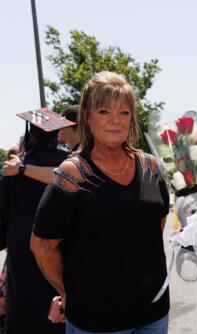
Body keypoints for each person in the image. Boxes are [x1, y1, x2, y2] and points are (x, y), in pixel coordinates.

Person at [31, 71, 170, 333]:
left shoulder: (150, 167)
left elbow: (154, 226)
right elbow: (42, 246)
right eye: (104, 111)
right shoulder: (73, 174)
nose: (115, 121)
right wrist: (67, 291)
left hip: (153, 313)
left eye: (124, 112)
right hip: (96, 318)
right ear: (87, 115)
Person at [3, 108, 73, 333]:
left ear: (30, 134)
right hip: (63, 251)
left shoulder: (14, 168)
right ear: (56, 133)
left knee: (26, 314)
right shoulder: (69, 163)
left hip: (23, 252)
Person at [2, 104, 82, 184]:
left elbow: (69, 177)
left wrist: (21, 168)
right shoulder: (67, 159)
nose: (58, 128)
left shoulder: (14, 168)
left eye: (60, 123)